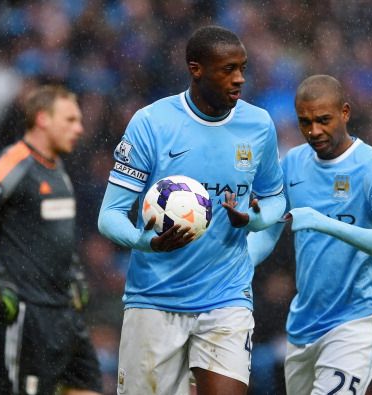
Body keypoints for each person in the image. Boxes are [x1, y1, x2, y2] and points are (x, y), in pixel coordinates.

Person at [97, 25, 286, 395]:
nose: (239, 79)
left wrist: (254, 227)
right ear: (195, 69)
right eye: (227, 70)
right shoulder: (152, 124)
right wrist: (147, 242)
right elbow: (109, 215)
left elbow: (277, 199)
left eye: (242, 69)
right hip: (154, 299)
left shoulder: (258, 125)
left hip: (226, 298)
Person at [248, 74, 372, 395]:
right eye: (305, 122)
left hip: (356, 319)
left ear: (345, 113)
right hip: (303, 323)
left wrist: (325, 222)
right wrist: (237, 263)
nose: (314, 131)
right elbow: (269, 231)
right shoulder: (292, 162)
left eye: (324, 120)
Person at [0, 85, 103, 395]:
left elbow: (54, 235)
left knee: (88, 387)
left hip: (64, 311)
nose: (79, 128)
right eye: (70, 120)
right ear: (42, 119)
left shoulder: (57, 168)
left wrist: (75, 270)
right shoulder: (14, 163)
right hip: (26, 313)